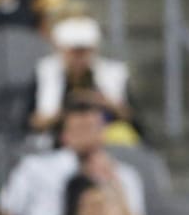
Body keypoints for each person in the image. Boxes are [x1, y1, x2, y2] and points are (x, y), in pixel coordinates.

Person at [0, 98, 145, 215]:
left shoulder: (125, 175)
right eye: (79, 129)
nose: (86, 136)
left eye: (92, 128)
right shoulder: (34, 169)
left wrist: (113, 185)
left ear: (103, 132)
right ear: (64, 136)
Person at [30, 13, 139, 144]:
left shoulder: (113, 74)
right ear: (62, 50)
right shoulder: (45, 74)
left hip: (105, 141)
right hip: (59, 142)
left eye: (84, 52)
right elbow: (33, 123)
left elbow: (133, 119)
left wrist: (102, 101)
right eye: (74, 52)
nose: (79, 58)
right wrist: (64, 112)